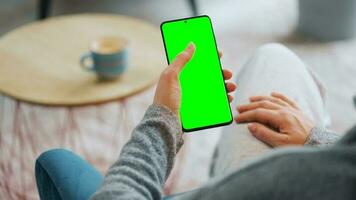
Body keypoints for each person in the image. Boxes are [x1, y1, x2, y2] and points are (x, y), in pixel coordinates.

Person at [35, 43, 356, 200]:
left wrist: (162, 119)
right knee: (273, 56)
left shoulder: (286, 182)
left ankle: (215, 172)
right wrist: (319, 140)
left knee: (54, 162)